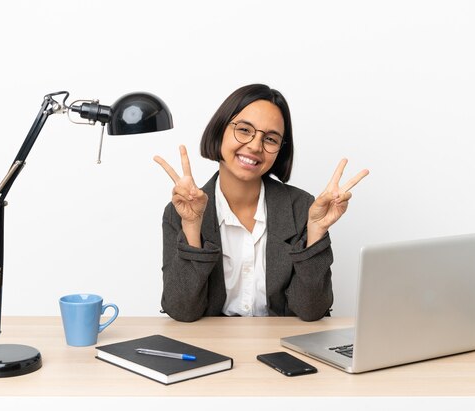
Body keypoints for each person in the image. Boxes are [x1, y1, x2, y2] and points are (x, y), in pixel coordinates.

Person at [154, 84, 368, 322]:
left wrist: (315, 232)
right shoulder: (179, 212)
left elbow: (311, 311)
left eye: (270, 139)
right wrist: (193, 227)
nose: (255, 146)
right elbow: (182, 310)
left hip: (282, 348)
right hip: (211, 347)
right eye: (244, 130)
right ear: (219, 130)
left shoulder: (301, 207)